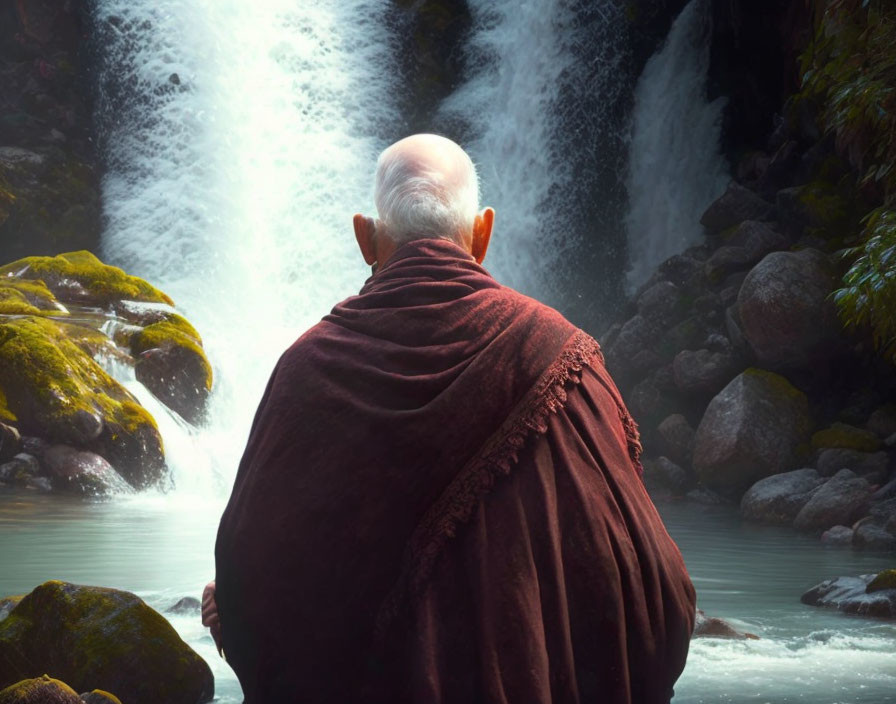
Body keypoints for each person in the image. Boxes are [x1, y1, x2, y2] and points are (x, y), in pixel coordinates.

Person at [206, 133, 696, 703]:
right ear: (482, 234)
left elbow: (252, 584)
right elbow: (657, 596)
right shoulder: (564, 358)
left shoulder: (307, 370)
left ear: (365, 237)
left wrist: (226, 603)